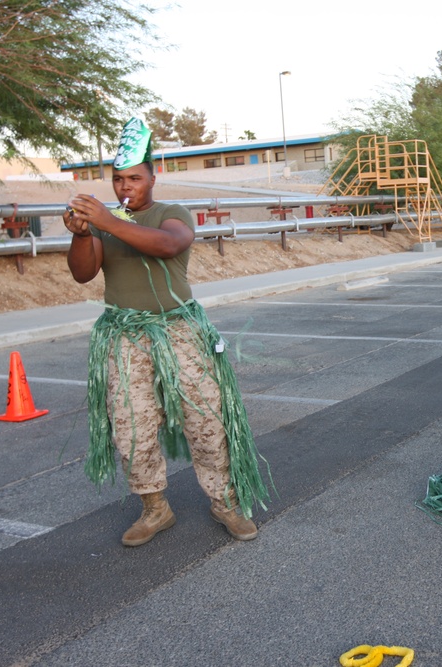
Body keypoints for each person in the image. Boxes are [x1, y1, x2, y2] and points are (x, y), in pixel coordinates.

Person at [64, 118, 271, 547]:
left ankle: (225, 502)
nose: (126, 187)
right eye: (119, 179)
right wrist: (83, 235)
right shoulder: (105, 222)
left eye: (135, 179)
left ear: (152, 178)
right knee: (131, 425)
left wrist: (109, 218)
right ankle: (155, 509)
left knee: (206, 418)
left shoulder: (171, 214)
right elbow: (83, 273)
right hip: (124, 335)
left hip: (179, 330)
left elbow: (167, 245)